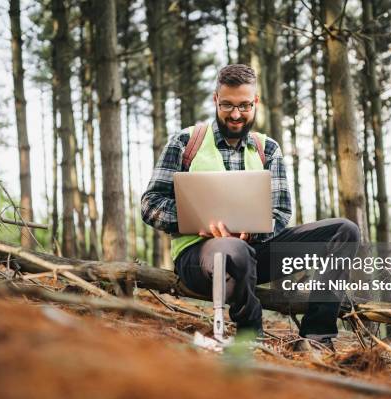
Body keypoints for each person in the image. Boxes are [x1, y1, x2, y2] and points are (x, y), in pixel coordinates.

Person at [141, 64, 359, 350]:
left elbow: (280, 212)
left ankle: (316, 336)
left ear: (255, 102)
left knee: (344, 231)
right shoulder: (186, 142)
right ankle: (250, 334)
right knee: (235, 249)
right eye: (227, 105)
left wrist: (254, 232)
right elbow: (150, 204)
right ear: (215, 100)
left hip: (255, 250)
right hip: (200, 259)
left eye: (244, 105)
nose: (235, 114)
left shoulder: (268, 149)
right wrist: (200, 222)